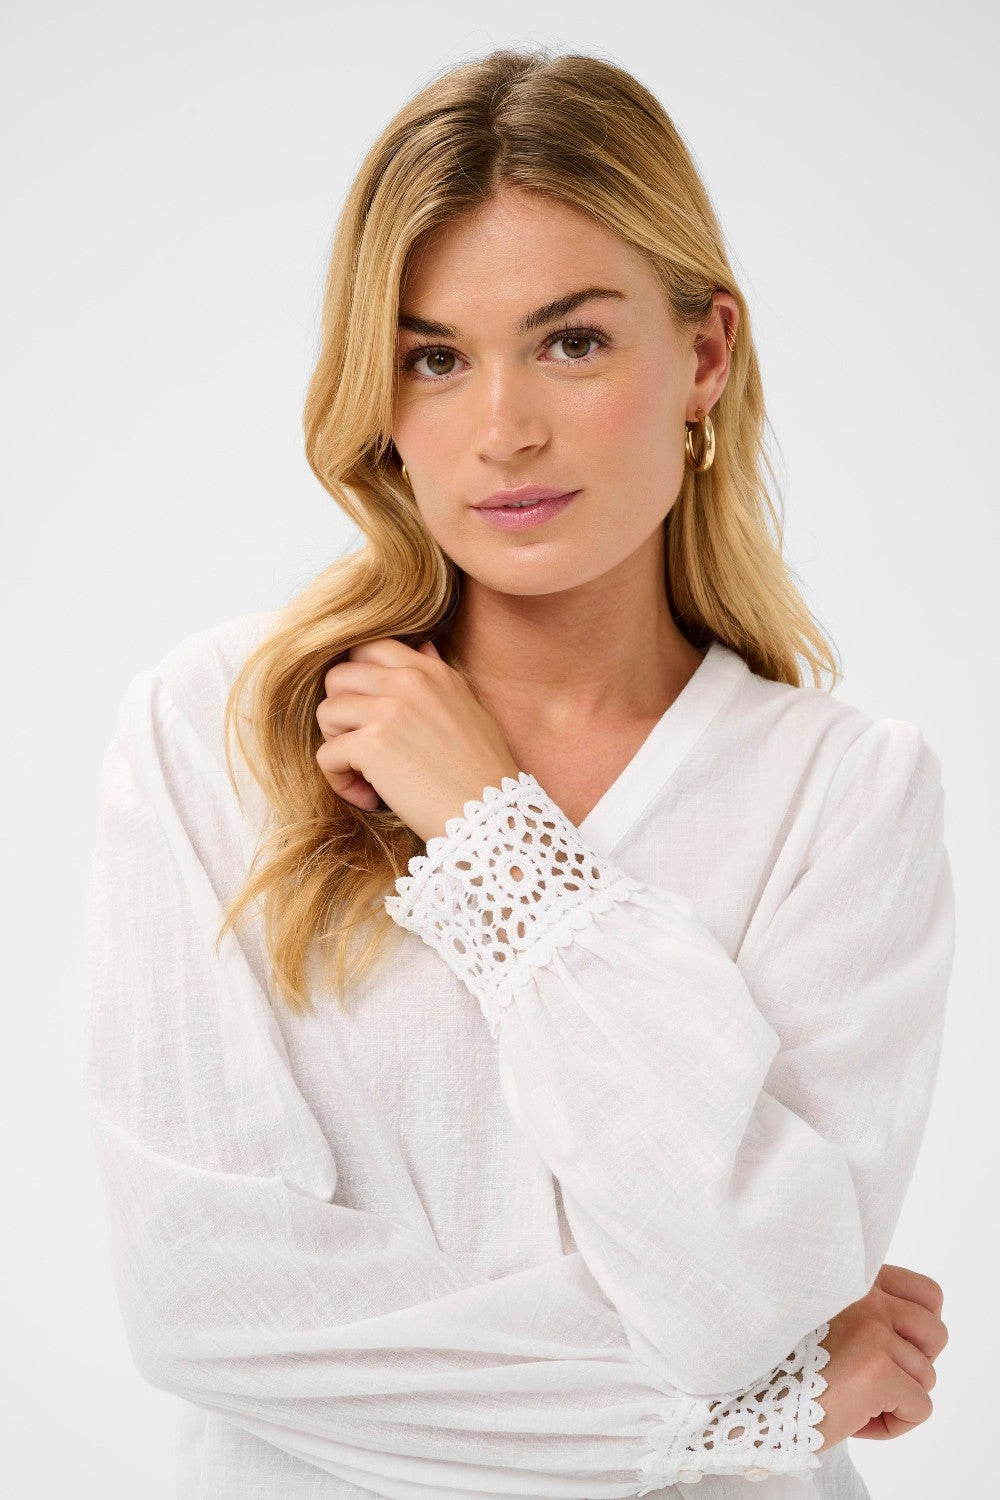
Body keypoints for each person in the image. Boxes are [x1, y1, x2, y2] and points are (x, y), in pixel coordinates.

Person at [84, 46, 953, 1500]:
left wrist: (493, 836)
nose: (503, 432)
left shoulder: (847, 795)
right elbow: (205, 1303)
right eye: (435, 357)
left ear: (707, 357)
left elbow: (756, 1286)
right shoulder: (216, 730)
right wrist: (734, 1414)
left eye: (571, 341)